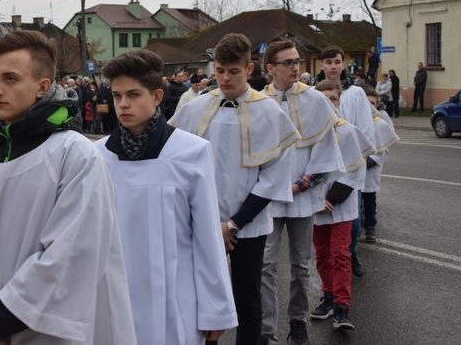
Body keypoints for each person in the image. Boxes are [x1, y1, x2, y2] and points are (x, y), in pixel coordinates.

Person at [0, 30, 137, 344]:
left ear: (42, 87)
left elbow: (73, 252)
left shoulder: (74, 155)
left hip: (49, 331)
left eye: (10, 79)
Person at [96, 49, 237, 344]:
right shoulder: (98, 157)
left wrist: (215, 309)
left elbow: (207, 236)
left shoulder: (191, 151)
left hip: (175, 299)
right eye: (117, 95)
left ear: (157, 97)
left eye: (133, 95)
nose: (123, 104)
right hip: (114, 299)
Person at [170, 33, 299, 345]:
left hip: (248, 227)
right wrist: (205, 221)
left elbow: (273, 178)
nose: (225, 78)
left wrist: (233, 224)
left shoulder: (269, 112)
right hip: (201, 223)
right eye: (220, 71)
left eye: (233, 71)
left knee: (248, 300)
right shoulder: (196, 108)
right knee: (203, 298)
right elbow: (176, 165)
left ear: (249, 69)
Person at [260, 40, 345, 345]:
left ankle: (298, 322)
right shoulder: (258, 101)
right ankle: (266, 329)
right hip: (267, 199)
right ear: (271, 68)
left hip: (302, 198)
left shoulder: (315, 100)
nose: (296, 67)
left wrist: (300, 186)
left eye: (297, 61)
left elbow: (326, 154)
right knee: (266, 265)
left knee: (300, 264)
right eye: (288, 63)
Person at [310, 79, 375, 332]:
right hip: (316, 206)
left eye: (334, 99)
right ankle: (328, 297)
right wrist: (317, 199)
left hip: (340, 206)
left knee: (340, 254)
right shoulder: (309, 132)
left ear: (340, 101)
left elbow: (354, 169)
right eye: (323, 98)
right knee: (322, 254)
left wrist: (332, 198)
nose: (329, 103)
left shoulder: (347, 131)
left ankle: (342, 306)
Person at [315, 46, 377, 276]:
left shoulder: (355, 93)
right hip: (324, 162)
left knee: (353, 215)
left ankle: (351, 253)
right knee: (323, 215)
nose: (333, 66)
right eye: (328, 62)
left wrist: (361, 157)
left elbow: (365, 127)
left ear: (344, 64)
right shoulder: (313, 91)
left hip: (351, 161)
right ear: (322, 65)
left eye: (337, 62)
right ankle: (331, 261)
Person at [360, 85, 399, 244]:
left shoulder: (380, 120)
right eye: (366, 103)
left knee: (369, 199)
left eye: (373, 103)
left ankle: (370, 228)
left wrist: (364, 164)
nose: (370, 106)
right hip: (356, 169)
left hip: (370, 167)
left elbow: (382, 148)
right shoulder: (357, 119)